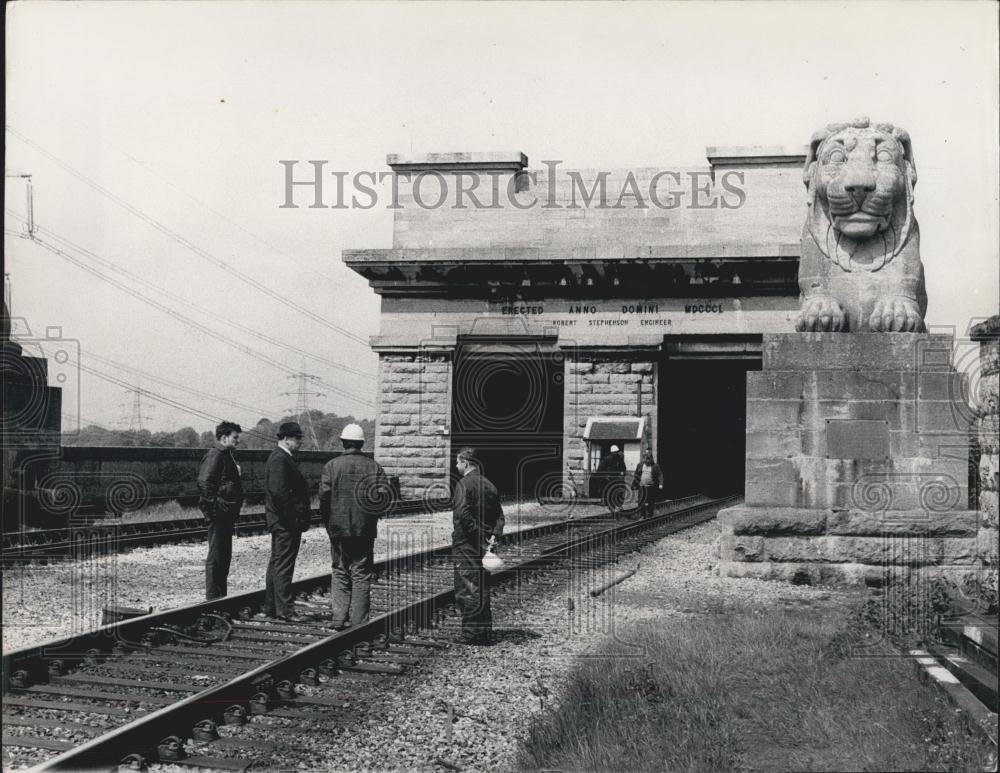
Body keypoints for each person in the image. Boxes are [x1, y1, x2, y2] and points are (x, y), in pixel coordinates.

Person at [318, 423, 389, 630]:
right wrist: (372, 517)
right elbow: (383, 497)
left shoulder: (331, 466)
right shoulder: (373, 466)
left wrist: (328, 522)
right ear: (361, 443)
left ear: (342, 442)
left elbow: (324, 497)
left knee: (339, 569)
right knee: (361, 572)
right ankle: (359, 622)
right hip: (364, 529)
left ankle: (339, 618)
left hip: (338, 528)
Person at [452, 448, 504, 644]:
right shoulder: (490, 485)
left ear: (466, 463)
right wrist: (493, 536)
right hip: (485, 546)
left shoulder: (463, 485)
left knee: (467, 587)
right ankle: (484, 632)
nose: (456, 466)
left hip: (466, 544)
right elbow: (500, 516)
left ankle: (472, 635)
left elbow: (462, 515)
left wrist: (479, 535)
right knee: (482, 586)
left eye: (458, 463)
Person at [262, 421, 311, 622]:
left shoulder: (281, 458)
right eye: (297, 438)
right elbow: (280, 494)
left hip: (282, 522)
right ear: (286, 438)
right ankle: (285, 610)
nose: (299, 442)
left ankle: (273, 607)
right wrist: (295, 519)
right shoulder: (280, 460)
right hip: (285, 523)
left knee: (277, 563)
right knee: (283, 565)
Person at [197, 421, 244, 600]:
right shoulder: (215, 455)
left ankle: (220, 598)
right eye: (235, 437)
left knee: (223, 557)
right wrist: (218, 509)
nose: (238, 441)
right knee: (216, 558)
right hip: (219, 515)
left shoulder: (226, 455)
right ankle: (213, 599)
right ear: (224, 438)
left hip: (225, 515)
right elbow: (204, 483)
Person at [631, 450, 663, 519]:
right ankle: (642, 515)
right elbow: (636, 475)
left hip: (651, 487)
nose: (647, 460)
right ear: (643, 459)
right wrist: (634, 484)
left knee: (651, 501)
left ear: (651, 459)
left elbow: (660, 475)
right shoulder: (640, 465)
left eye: (648, 458)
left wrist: (661, 484)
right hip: (642, 486)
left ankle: (650, 514)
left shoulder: (655, 466)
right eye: (645, 458)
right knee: (641, 501)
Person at [598, 444, 627, 516]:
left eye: (617, 452)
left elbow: (623, 468)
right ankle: (612, 508)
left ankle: (618, 506)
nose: (616, 453)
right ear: (612, 452)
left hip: (617, 479)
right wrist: (605, 476)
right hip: (609, 480)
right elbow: (600, 470)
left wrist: (622, 473)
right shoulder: (606, 459)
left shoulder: (619, 459)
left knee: (619, 493)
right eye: (615, 452)